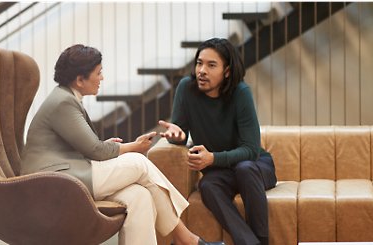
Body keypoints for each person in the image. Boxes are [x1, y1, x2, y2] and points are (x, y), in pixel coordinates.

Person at [21, 44, 224, 245]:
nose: (102, 78)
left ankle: (184, 239)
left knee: (140, 196)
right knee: (138, 162)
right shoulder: (63, 102)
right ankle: (186, 239)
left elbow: (86, 147)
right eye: (98, 73)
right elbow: (96, 151)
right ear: (80, 80)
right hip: (53, 181)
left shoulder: (66, 98)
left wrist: (105, 146)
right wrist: (133, 147)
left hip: (69, 172)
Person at [159, 38, 278, 245]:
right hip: (222, 173)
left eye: (211, 65)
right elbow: (181, 134)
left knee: (245, 168)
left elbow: (251, 150)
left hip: (256, 167)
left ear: (227, 71)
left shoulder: (241, 93)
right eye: (199, 63)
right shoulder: (186, 89)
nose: (202, 70)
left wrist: (213, 158)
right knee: (207, 184)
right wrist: (177, 137)